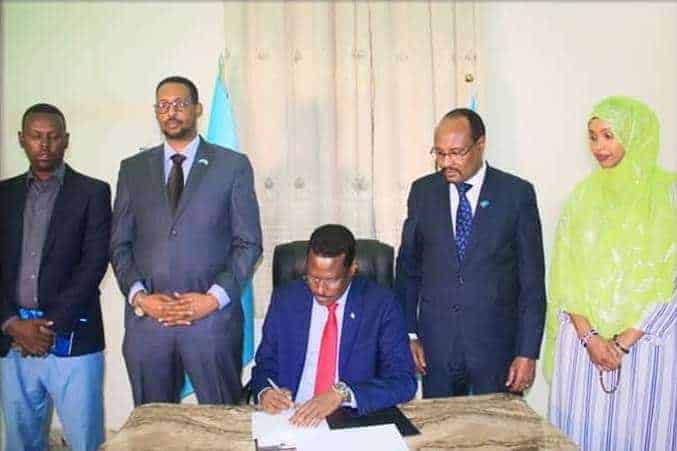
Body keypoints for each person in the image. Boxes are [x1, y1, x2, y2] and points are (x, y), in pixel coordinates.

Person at [110, 76, 262, 405]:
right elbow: (119, 244)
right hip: (149, 322)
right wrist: (140, 297)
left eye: (180, 104)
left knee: (221, 421)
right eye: (163, 106)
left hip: (211, 320)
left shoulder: (232, 166)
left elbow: (248, 243)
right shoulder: (133, 169)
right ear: (156, 112)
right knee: (153, 423)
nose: (171, 112)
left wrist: (213, 299)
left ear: (198, 109)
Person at [545, 96, 677, 450]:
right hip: (583, 350)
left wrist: (622, 343)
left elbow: (672, 280)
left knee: (643, 434)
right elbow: (565, 275)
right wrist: (591, 338)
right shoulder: (582, 197)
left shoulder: (669, 195)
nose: (598, 147)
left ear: (635, 135)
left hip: (647, 348)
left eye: (608, 135)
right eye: (592, 137)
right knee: (580, 437)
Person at [395, 108, 546, 397]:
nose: (446, 163)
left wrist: (527, 352)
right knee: (441, 425)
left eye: (456, 153)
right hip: (437, 349)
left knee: (496, 425)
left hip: (496, 349)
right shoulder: (423, 193)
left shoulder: (516, 194)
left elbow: (531, 283)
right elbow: (408, 270)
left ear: (480, 144)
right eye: (439, 153)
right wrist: (409, 334)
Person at [0, 103, 111, 451]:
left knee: (84, 441)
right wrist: (11, 324)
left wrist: (46, 327)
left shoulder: (93, 192)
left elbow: (94, 264)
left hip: (73, 336)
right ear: (22, 139)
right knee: (21, 440)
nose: (44, 145)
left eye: (53, 137)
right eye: (36, 136)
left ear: (66, 140)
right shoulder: (3, 195)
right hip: (13, 340)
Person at [251, 224, 416, 426]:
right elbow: (265, 363)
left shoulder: (381, 305)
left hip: (352, 419)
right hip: (292, 417)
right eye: (313, 277)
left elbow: (403, 381)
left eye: (331, 280)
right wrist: (265, 392)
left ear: (353, 269)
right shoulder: (286, 299)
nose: (320, 289)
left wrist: (343, 394)